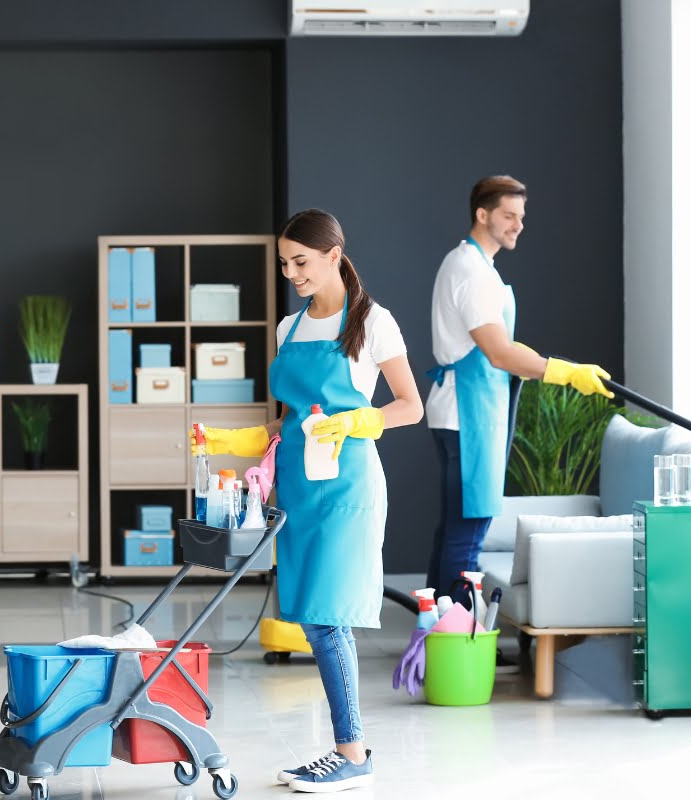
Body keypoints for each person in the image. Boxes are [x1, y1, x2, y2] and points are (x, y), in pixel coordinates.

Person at [194, 209, 423, 793]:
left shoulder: (374, 323)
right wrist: (227, 441)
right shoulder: (287, 329)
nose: (292, 273)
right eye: (284, 264)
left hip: (347, 487)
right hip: (297, 487)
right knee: (318, 620)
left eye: (301, 261)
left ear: (332, 254)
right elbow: (284, 425)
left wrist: (357, 421)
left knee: (327, 618)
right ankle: (351, 750)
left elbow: (409, 406)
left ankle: (351, 752)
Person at [424, 175, 613, 606]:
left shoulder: (478, 267)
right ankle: (457, 639)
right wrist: (564, 372)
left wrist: (549, 365)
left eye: (521, 216)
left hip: (472, 411)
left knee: (459, 527)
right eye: (509, 215)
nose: (518, 225)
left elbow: (503, 347)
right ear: (482, 213)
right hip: (466, 416)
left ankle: (438, 636)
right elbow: (498, 351)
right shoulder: (470, 270)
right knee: (467, 531)